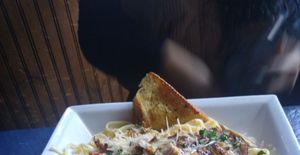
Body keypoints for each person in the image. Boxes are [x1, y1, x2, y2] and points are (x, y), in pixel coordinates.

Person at [78, 0, 300, 104]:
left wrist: (296, 46)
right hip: (159, 103)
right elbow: (95, 33)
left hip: (260, 101)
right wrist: (161, 55)